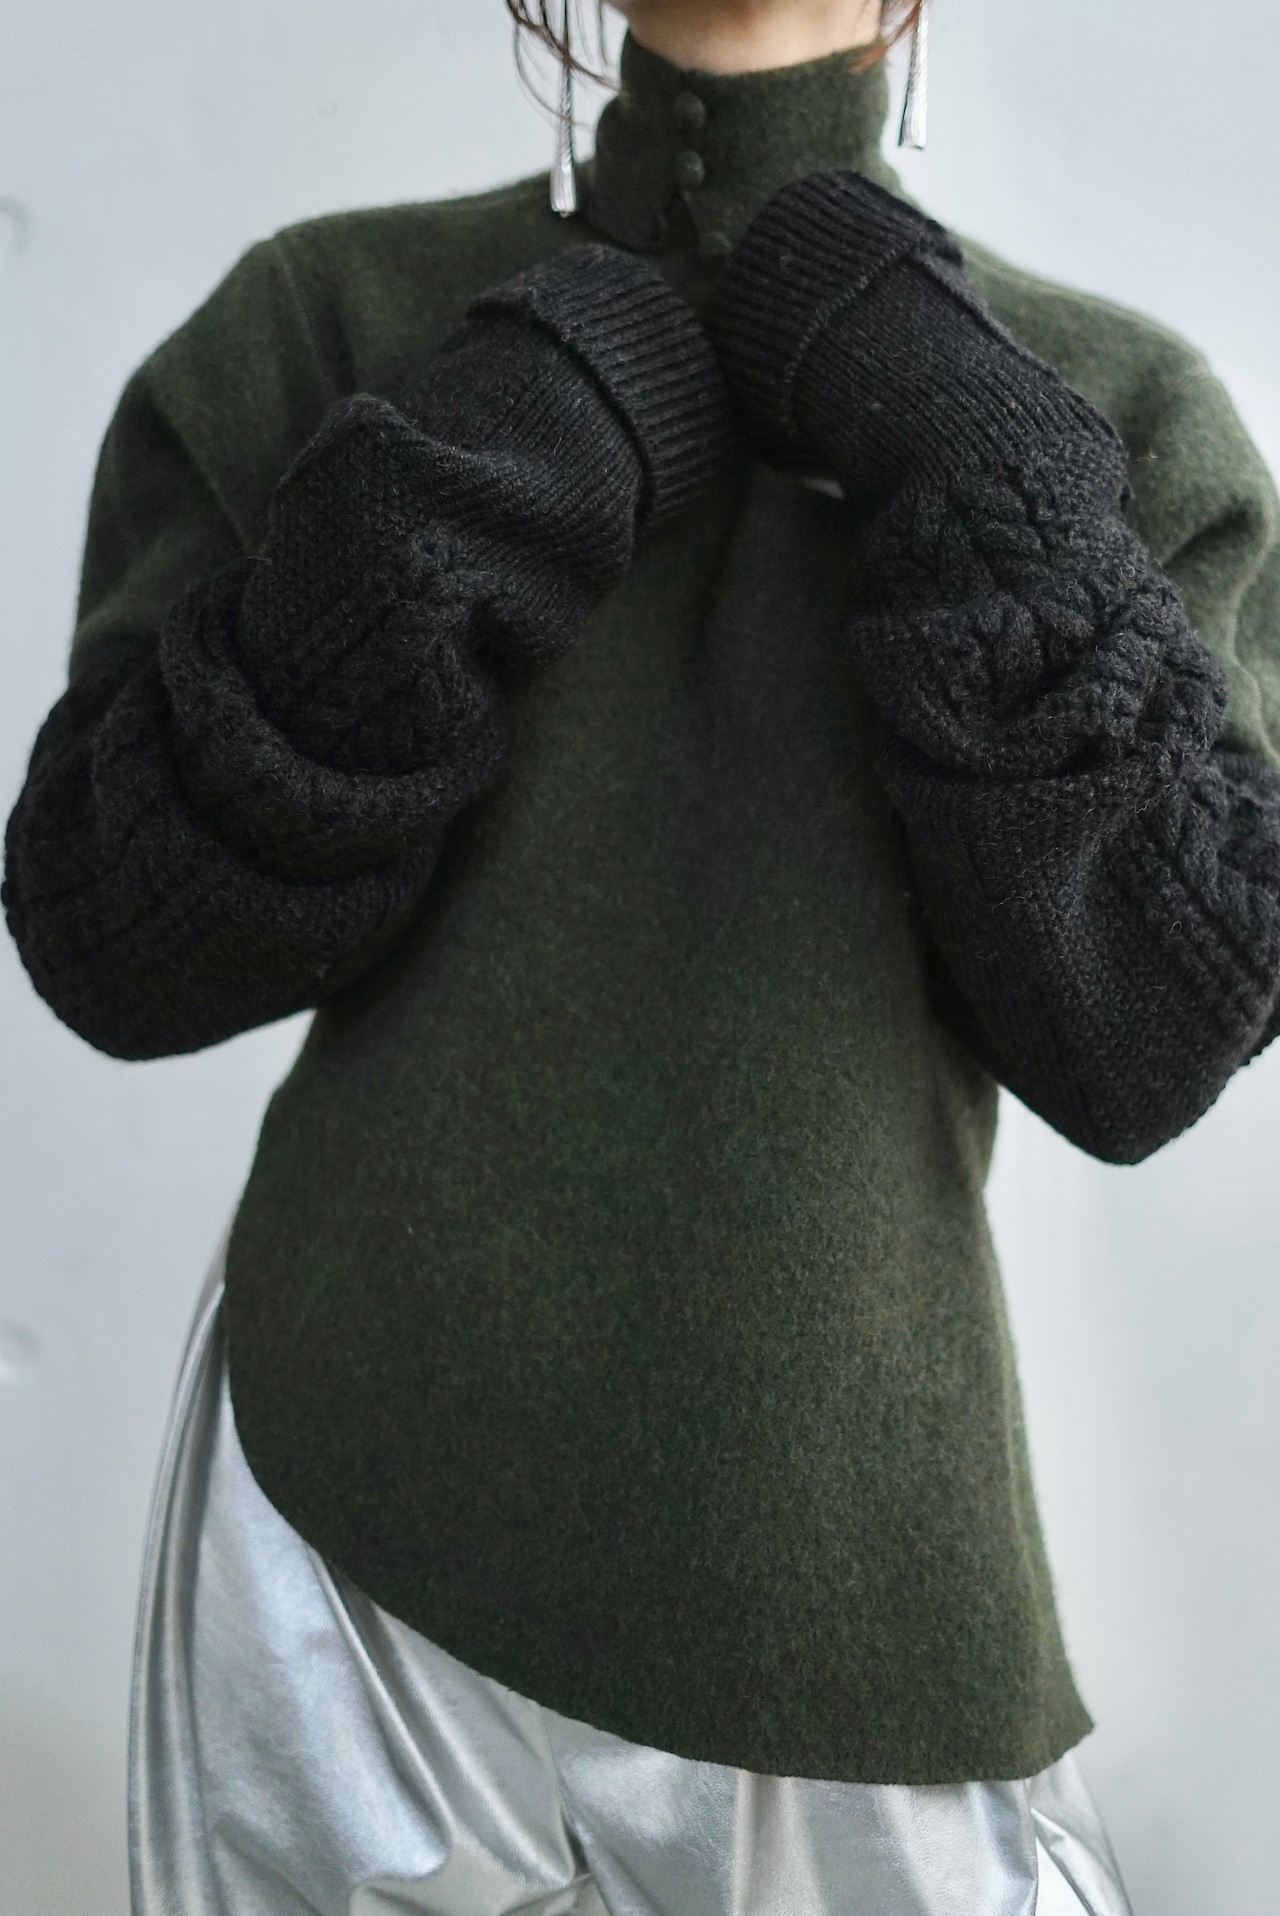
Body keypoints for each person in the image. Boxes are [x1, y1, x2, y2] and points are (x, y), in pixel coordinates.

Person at [6, 0, 1280, 1910]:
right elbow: (111, 933)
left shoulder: (1110, 405)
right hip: (340, 1568)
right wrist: (493, 449)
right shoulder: (330, 321)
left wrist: (962, 433)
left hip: (846, 1597)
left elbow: (1149, 1036)